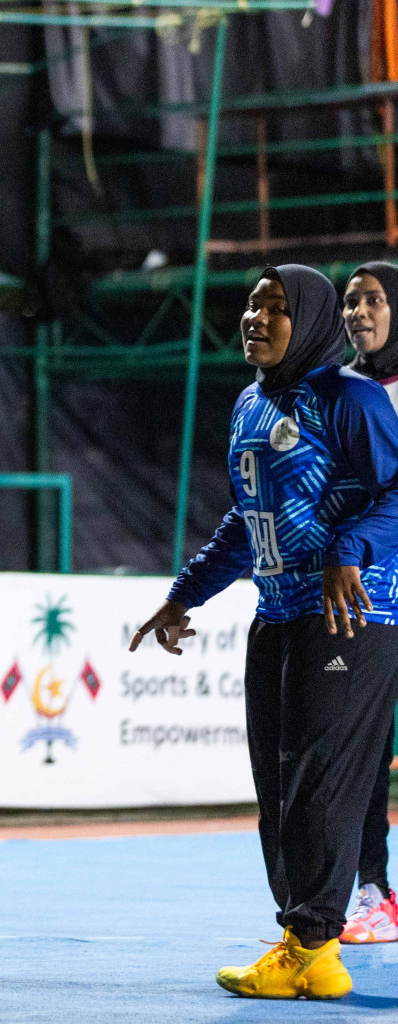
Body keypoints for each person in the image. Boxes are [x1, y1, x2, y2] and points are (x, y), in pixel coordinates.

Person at [130, 265, 398, 1000]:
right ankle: (302, 942)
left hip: (353, 614)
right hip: (277, 613)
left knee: (319, 786)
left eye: (277, 307)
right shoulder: (250, 404)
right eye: (252, 304)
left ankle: (317, 944)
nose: (257, 317)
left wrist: (351, 550)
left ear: (308, 320)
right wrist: (183, 596)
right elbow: (245, 525)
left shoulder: (352, 399)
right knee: (277, 787)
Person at [338, 261, 398, 944]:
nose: (358, 311)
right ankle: (374, 891)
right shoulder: (341, 393)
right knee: (364, 753)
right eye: (351, 301)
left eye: (374, 299)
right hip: (369, 599)